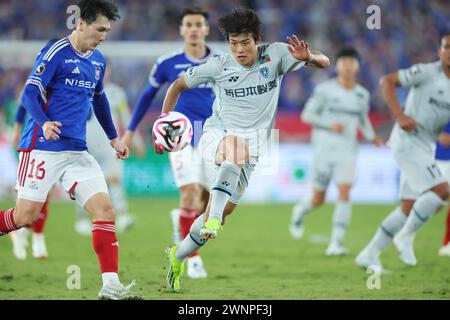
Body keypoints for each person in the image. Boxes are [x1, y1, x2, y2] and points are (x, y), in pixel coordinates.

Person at [158, 8, 329, 291]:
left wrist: (309, 58)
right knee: (234, 155)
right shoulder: (219, 65)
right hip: (217, 135)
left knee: (223, 211)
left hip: (254, 148)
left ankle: (177, 257)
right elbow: (177, 85)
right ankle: (213, 220)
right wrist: (165, 123)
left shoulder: (278, 54)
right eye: (233, 43)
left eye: (245, 43)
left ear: (258, 40)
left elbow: (325, 61)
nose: (239, 50)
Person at [0, 0, 142, 300]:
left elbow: (100, 100)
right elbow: (29, 93)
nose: (103, 35)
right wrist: (45, 122)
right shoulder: (56, 53)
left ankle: (111, 285)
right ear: (81, 23)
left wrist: (114, 138)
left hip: (78, 152)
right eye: (99, 29)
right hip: (42, 147)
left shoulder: (98, 60)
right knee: (25, 217)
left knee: (105, 211)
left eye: (107, 30)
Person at [121, 7, 220, 279]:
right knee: (189, 193)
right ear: (182, 29)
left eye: (199, 24)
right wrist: (130, 132)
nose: (194, 29)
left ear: (206, 29)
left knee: (206, 200)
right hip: (180, 135)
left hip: (212, 136)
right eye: (189, 24)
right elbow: (146, 97)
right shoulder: (167, 62)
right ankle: (195, 259)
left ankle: (181, 223)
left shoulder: (222, 61)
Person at [356, 33, 450, 270]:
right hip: (407, 141)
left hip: (426, 146)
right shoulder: (427, 72)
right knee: (441, 190)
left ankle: (368, 254)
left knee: (407, 208)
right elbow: (387, 81)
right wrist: (400, 114)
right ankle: (406, 236)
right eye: (446, 47)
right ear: (440, 51)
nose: (449, 52)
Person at [289, 48, 383, 256]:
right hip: (323, 151)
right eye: (344, 63)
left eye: (352, 63)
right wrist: (330, 124)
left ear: (357, 67)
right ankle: (299, 211)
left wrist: (372, 136)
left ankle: (335, 244)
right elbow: (307, 115)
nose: (348, 67)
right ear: (338, 66)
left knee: (344, 192)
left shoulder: (362, 95)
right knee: (318, 199)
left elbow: (363, 120)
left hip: (348, 153)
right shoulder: (324, 90)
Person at [75, 62, 144, 236]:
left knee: (114, 179)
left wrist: (135, 139)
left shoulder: (116, 93)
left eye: (104, 69)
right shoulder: (80, 90)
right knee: (83, 182)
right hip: (85, 145)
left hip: (109, 145)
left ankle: (122, 215)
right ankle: (82, 219)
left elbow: (125, 117)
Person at [435, 123, 450, 257]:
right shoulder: (445, 112)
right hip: (443, 162)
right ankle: (404, 233)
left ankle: (447, 243)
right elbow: (444, 140)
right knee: (434, 206)